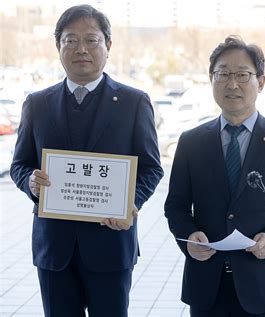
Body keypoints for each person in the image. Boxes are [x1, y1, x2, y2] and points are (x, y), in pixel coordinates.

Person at [10, 5, 163, 317]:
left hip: (110, 244)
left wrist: (131, 203)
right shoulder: (37, 104)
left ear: (108, 45)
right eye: (70, 40)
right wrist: (30, 182)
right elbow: (19, 163)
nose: (81, 49)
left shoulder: (134, 102)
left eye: (91, 40)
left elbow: (151, 167)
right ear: (58, 47)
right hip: (54, 248)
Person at [164, 35, 265, 316]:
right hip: (207, 285)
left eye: (243, 75)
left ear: (261, 81)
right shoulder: (191, 142)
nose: (232, 84)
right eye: (222, 74)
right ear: (211, 79)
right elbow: (175, 205)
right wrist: (188, 237)